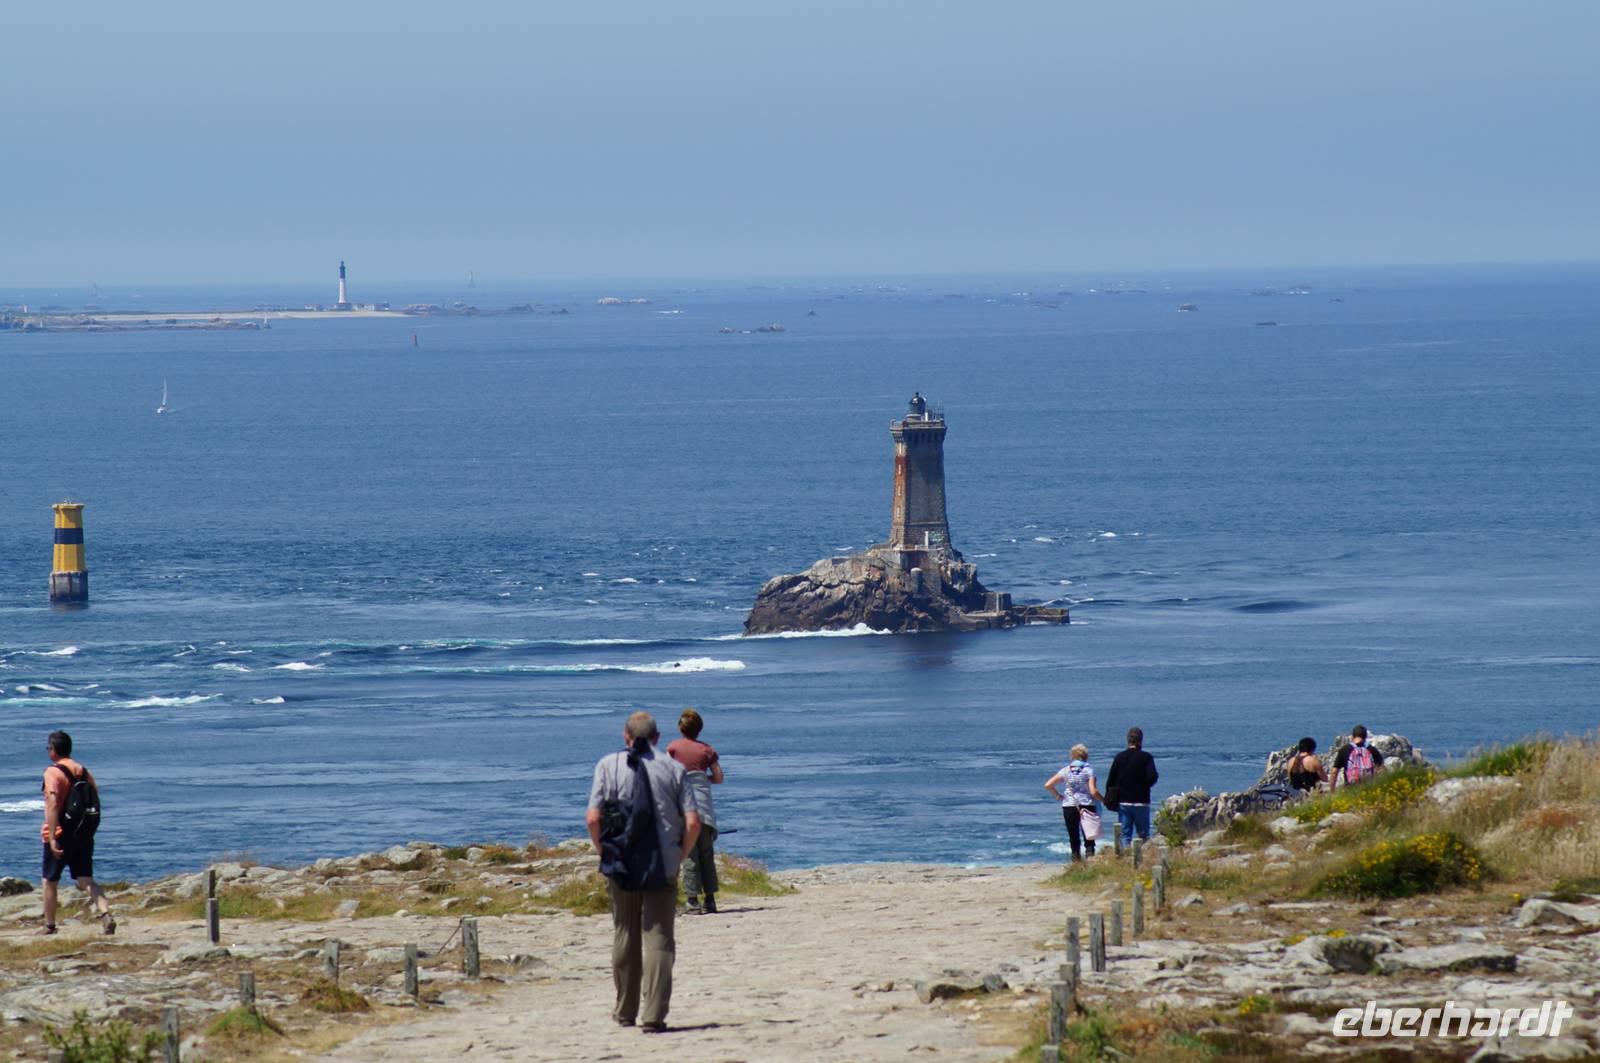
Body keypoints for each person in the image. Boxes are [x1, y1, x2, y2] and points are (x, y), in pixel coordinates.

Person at [586, 712, 700, 1032]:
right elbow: (692, 822)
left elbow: (594, 818)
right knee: (659, 940)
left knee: (625, 933)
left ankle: (625, 1010)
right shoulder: (674, 769)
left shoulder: (607, 765)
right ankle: (653, 1015)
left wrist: (602, 851)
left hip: (620, 861)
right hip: (662, 862)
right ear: (657, 737)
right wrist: (680, 855)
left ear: (625, 736)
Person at [40, 731, 114, 936]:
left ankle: (50, 925)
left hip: (61, 832)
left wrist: (53, 837)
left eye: (48, 748)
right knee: (86, 879)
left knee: (49, 880)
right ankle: (105, 913)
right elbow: (94, 795)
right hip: (83, 833)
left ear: (53, 750)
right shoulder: (82, 770)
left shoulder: (52, 772)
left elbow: (53, 803)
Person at [666, 708, 723, 915]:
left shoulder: (673, 748)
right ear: (700, 729)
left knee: (690, 856)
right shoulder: (707, 750)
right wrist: (702, 779)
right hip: (705, 810)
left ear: (681, 728)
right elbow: (718, 777)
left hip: (685, 811)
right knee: (707, 855)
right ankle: (710, 899)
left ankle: (692, 900)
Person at [1044, 743, 1104, 861]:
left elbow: (1048, 784)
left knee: (1073, 835)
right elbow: (1093, 791)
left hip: (1069, 805)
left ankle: (1076, 861)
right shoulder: (1088, 771)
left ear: (1072, 756)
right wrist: (1104, 800)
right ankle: (1090, 859)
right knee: (1089, 835)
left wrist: (1058, 796)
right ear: (1086, 756)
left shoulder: (1066, 770)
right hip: (1087, 804)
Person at [1105, 727, 1159, 846]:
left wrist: (1110, 798)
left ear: (1128, 740)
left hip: (1124, 802)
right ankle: (1143, 860)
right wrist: (1144, 785)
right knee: (1144, 835)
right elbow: (1153, 776)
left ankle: (1125, 860)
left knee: (1125, 836)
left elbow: (1111, 781)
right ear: (1141, 741)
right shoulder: (1146, 757)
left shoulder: (1119, 757)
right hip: (1141, 801)